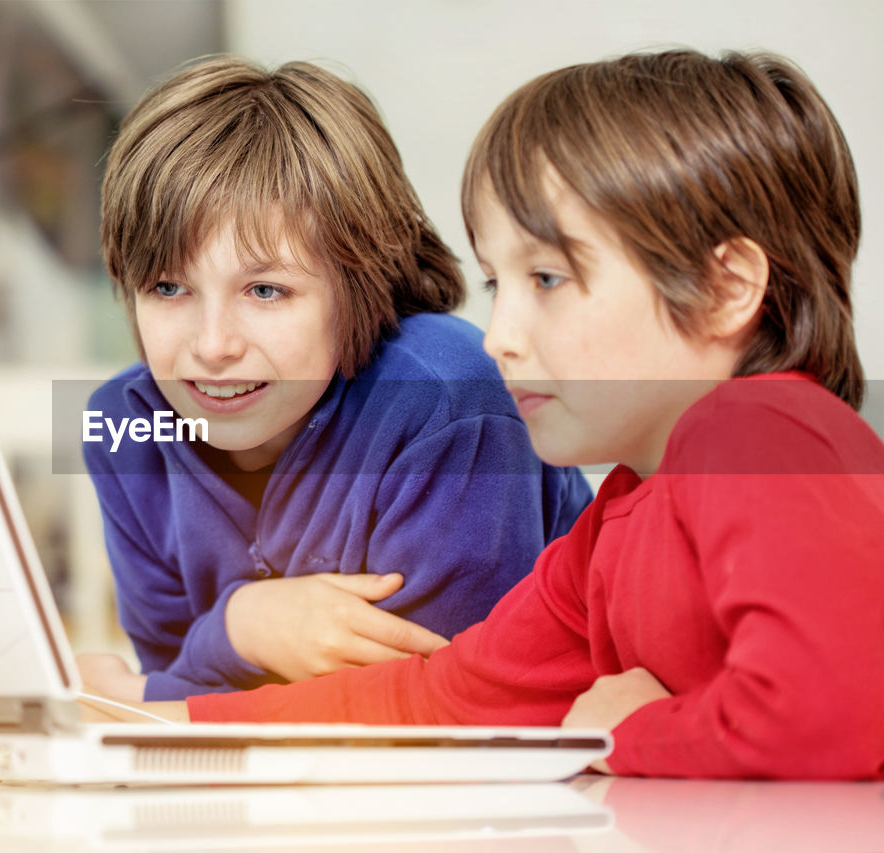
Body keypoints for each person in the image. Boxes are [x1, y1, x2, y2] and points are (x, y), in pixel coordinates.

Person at [106, 49, 884, 780]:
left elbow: (826, 713)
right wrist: (161, 719)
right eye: (495, 286)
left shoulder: (759, 429)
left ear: (724, 288)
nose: (502, 337)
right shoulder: (615, 522)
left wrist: (627, 735)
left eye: (546, 278)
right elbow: (440, 698)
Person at [79, 57, 591, 702]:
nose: (211, 347)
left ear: (360, 284)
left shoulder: (449, 400)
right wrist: (236, 636)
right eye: (168, 287)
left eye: (266, 290)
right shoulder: (125, 426)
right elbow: (178, 696)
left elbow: (438, 709)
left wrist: (217, 645)